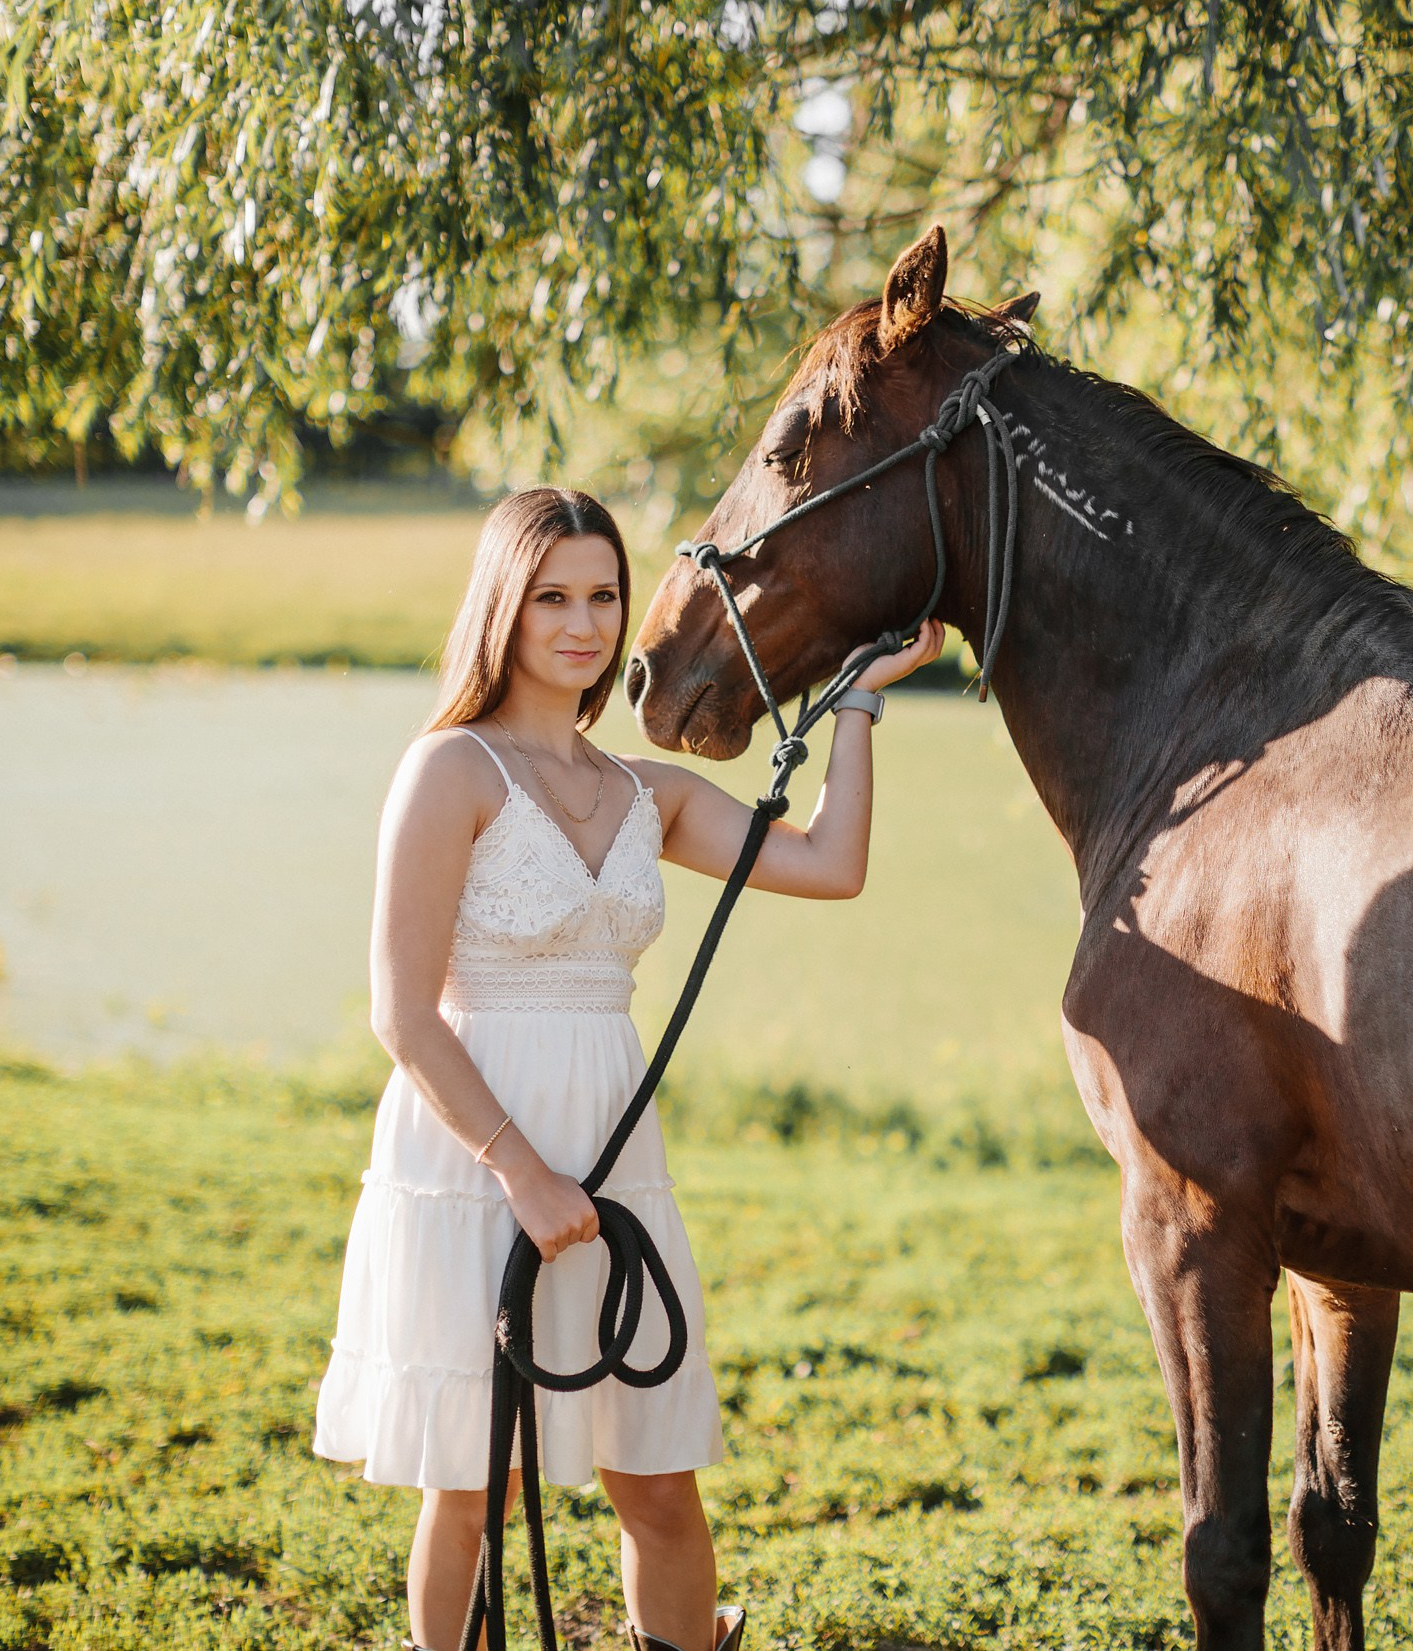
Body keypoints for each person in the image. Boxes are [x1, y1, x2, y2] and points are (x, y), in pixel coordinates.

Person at [312, 487, 943, 1651]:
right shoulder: (448, 771)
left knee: (656, 1482)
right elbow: (402, 1014)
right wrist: (519, 1172)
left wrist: (854, 706)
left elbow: (830, 865)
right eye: (552, 596)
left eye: (603, 595)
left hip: (613, 1154)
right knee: (476, 1483)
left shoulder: (642, 793)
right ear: (503, 606)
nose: (583, 623)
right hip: (477, 1155)